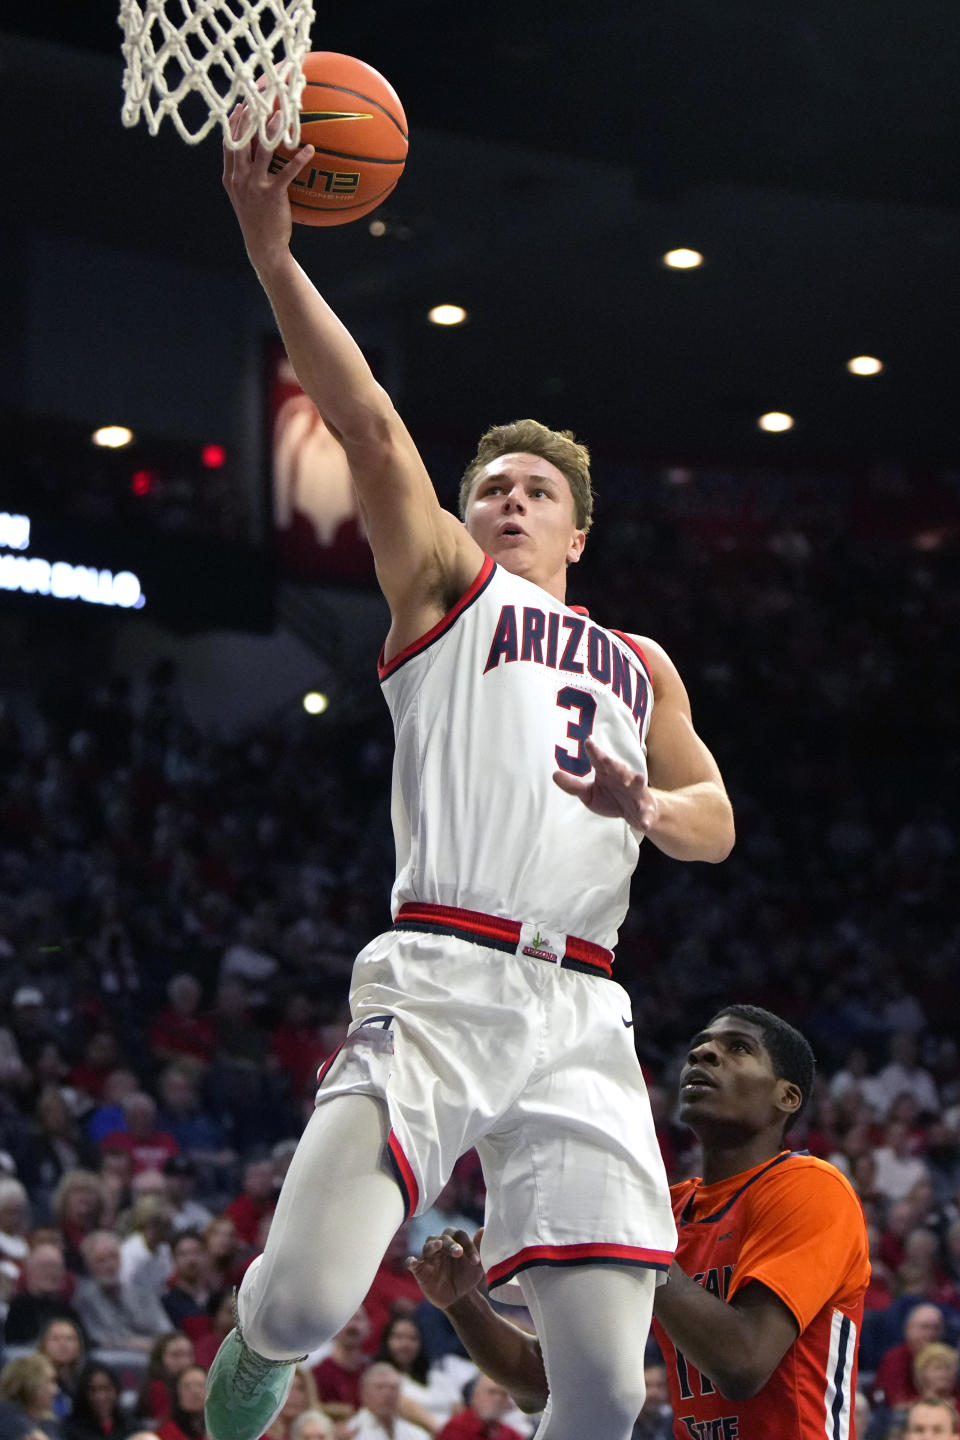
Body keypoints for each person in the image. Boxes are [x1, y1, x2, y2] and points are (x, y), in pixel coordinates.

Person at [206, 98, 735, 1440]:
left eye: (532, 491)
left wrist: (648, 803)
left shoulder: (645, 661)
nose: (505, 498)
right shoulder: (447, 590)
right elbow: (373, 429)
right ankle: (260, 1346)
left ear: (577, 528)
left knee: (611, 1392)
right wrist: (275, 251)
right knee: (305, 1306)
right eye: (490, 483)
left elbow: (716, 825)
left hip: (584, 1016)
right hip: (444, 976)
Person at [407, 1006, 871, 1440]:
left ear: (787, 1096)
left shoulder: (810, 1187)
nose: (703, 1053)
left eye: (738, 1048)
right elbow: (547, 1384)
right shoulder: (658, 1211)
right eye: (701, 1045)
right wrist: (462, 1302)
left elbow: (743, 1362)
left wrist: (634, 1241)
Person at [434, 1374, 525, 1440]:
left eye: (504, 1394)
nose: (498, 1399)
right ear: (475, 1395)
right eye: (492, 1392)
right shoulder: (456, 1427)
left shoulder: (513, 1436)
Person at [349, 1365, 423, 1440]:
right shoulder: (350, 1432)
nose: (387, 1394)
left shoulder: (416, 1433)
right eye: (379, 1387)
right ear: (364, 1394)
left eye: (393, 1387)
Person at [62, 1365, 131, 1440]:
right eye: (93, 1390)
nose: (101, 1397)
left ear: (116, 1390)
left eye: (106, 1389)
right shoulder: (70, 1430)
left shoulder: (130, 1426)